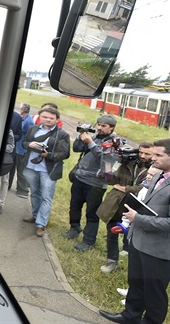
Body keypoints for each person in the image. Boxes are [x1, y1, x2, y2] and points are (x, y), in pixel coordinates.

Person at [99, 139, 170, 324]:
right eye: (152, 154)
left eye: (158, 155)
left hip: (160, 249)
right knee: (136, 284)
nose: (152, 159)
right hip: (139, 242)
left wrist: (138, 219)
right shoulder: (157, 176)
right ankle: (130, 316)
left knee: (154, 292)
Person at [95, 142, 154, 273]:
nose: (143, 156)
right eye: (141, 152)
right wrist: (108, 165)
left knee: (133, 235)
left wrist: (125, 188)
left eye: (147, 154)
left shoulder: (156, 169)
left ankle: (129, 255)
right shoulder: (128, 162)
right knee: (112, 230)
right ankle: (112, 261)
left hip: (139, 205)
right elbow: (111, 181)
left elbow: (145, 188)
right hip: (118, 202)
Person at [64, 114, 118, 252]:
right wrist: (81, 135)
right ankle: (74, 227)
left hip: (96, 184)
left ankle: (88, 241)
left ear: (111, 128)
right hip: (80, 178)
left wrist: (90, 143)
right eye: (98, 124)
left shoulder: (115, 143)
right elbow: (76, 149)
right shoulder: (93, 137)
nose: (99, 128)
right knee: (74, 206)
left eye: (103, 126)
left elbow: (105, 160)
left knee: (92, 213)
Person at [21, 107, 71, 237]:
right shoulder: (33, 129)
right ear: (39, 117)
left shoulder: (62, 134)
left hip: (48, 170)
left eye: (51, 118)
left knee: (46, 197)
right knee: (34, 193)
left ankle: (41, 224)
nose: (48, 120)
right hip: (31, 167)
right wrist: (29, 145)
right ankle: (35, 216)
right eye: (45, 117)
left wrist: (47, 155)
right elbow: (24, 143)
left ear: (57, 119)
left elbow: (65, 154)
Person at [14, 103, 33, 198]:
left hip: (22, 149)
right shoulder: (25, 119)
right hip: (18, 148)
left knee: (21, 170)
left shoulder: (28, 121)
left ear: (22, 110)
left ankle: (23, 190)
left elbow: (28, 135)